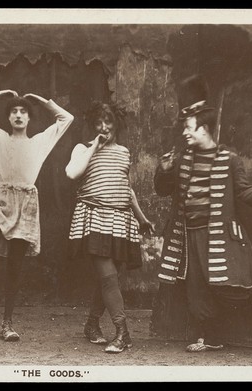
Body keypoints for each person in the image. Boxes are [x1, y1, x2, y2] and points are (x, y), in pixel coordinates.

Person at [154, 75, 252, 352]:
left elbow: (244, 191)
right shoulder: (183, 158)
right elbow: (163, 190)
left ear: (205, 129)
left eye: (189, 128)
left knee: (227, 286)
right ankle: (212, 338)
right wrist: (164, 170)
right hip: (190, 235)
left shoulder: (229, 159)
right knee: (196, 290)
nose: (185, 133)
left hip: (221, 235)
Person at [0, 89, 74, 341]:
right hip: (1, 196)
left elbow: (66, 119)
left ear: (29, 118)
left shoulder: (39, 142)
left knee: (14, 264)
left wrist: (42, 100)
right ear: (8, 118)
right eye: (13, 111)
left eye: (23, 111)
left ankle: (7, 323)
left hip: (25, 203)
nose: (18, 115)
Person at [65, 101, 153, 353]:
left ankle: (92, 325)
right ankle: (122, 332)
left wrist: (142, 218)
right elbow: (72, 173)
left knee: (108, 278)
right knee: (108, 276)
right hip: (93, 218)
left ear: (117, 123)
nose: (104, 127)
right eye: (99, 122)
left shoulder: (124, 152)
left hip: (120, 221)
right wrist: (94, 146)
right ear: (93, 125)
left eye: (109, 121)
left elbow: (126, 188)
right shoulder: (82, 149)